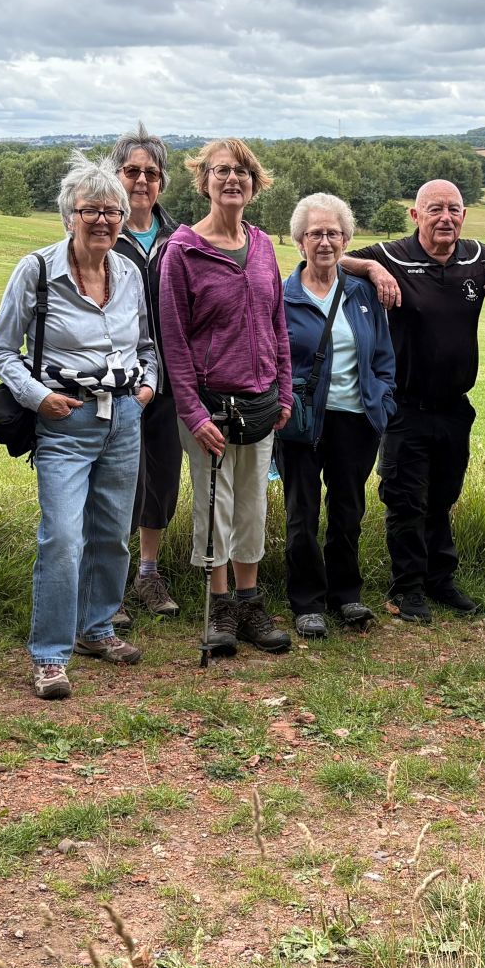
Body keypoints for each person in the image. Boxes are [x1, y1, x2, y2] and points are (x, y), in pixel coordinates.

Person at [0, 155, 157, 699]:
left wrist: (147, 386)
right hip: (66, 419)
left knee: (112, 535)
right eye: (91, 211)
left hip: (125, 417)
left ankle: (97, 628)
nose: (103, 220)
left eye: (113, 211)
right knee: (62, 537)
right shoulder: (36, 271)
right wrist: (39, 399)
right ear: (69, 215)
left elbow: (147, 346)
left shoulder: (129, 272)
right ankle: (50, 655)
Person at [343, 179, 485, 622]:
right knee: (406, 500)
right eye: (435, 209)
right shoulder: (391, 254)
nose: (446, 218)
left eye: (454, 209)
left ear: (464, 215)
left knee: (443, 496)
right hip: (405, 406)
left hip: (455, 406)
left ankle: (441, 580)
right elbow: (335, 258)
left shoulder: (477, 257)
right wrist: (374, 270)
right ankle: (406, 589)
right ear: (415, 215)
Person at [156, 139, 293, 656]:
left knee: (252, 503)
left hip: (260, 402)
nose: (232, 179)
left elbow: (277, 323)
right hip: (210, 404)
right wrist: (191, 411)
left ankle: (251, 603)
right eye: (221, 171)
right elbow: (173, 338)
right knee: (217, 505)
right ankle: (220, 609)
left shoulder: (261, 246)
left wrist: (284, 390)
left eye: (241, 172)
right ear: (204, 181)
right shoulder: (183, 251)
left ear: (254, 184)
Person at [276, 194, 397, 638]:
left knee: (348, 511)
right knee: (301, 514)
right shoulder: (283, 296)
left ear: (346, 239)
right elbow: (273, 360)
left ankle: (346, 595)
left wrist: (382, 402)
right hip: (301, 423)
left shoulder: (363, 293)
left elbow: (383, 355)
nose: (324, 242)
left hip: (356, 420)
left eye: (333, 233)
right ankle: (306, 602)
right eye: (315, 234)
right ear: (299, 242)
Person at [111, 122, 185, 622]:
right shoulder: (99, 229)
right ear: (116, 175)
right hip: (114, 378)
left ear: (162, 182)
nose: (141, 180)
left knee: (161, 475)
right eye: (132, 170)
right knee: (114, 479)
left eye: (151, 172)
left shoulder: (181, 237)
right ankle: (107, 580)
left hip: (172, 377)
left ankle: (148, 572)